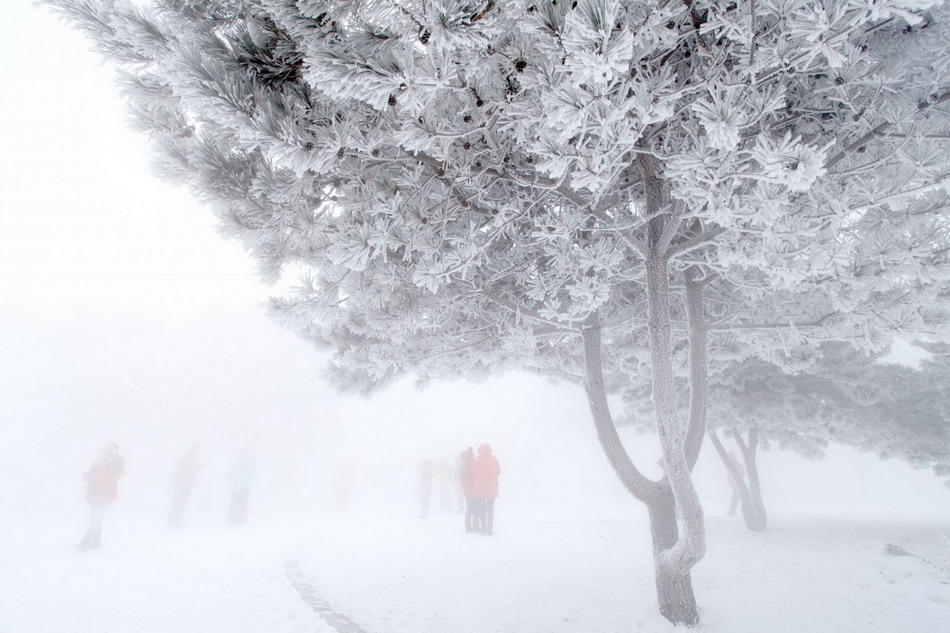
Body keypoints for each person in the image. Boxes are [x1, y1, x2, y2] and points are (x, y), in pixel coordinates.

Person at [75, 441, 125, 552]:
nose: (105, 450)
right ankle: (97, 542)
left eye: (108, 448)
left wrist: (98, 476)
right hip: (94, 494)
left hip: (107, 494)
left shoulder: (117, 462)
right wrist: (87, 476)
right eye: (104, 448)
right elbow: (91, 474)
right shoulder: (97, 461)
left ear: (113, 450)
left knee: (95, 519)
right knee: (95, 518)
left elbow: (115, 477)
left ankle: (86, 542)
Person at [167, 443, 202, 527]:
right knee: (180, 502)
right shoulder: (188, 457)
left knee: (179, 502)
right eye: (198, 449)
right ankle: (174, 521)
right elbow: (188, 470)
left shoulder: (187, 456)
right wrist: (197, 467)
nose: (198, 452)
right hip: (183, 484)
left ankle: (174, 520)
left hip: (183, 484)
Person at [471, 444, 500, 535]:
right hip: (492, 487)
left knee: (482, 509)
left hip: (480, 488)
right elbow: (498, 471)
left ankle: (483, 528)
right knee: (490, 509)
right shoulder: (494, 459)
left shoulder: (477, 460)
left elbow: (473, 472)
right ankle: (490, 528)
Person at [229, 452, 256, 525]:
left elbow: (231, 476)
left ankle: (233, 519)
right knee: (242, 503)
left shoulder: (236, 466)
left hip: (237, 488)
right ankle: (240, 519)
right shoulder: (248, 466)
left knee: (235, 503)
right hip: (246, 489)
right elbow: (253, 473)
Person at [459, 447, 478, 533]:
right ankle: (471, 527)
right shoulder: (468, 467)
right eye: (471, 456)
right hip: (471, 491)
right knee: (472, 509)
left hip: (468, 491)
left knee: (471, 509)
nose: (473, 457)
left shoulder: (465, 466)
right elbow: (470, 479)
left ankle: (470, 526)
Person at [726, 451, 746, 516]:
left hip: (738, 484)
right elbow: (729, 477)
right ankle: (743, 510)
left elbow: (743, 473)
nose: (729, 459)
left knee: (735, 498)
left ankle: (732, 511)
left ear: (733, 457)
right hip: (734, 485)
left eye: (730, 457)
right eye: (728, 457)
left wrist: (738, 479)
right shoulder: (729, 466)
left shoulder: (737, 464)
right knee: (739, 497)